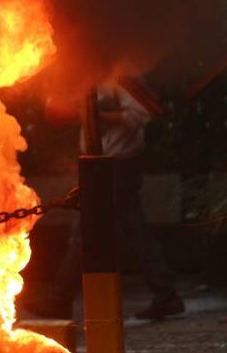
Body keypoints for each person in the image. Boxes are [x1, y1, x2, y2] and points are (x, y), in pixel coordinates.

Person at [50, 77, 184, 321]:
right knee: (134, 228)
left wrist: (98, 116)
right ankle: (166, 294)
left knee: (87, 229)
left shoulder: (121, 77)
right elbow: (57, 113)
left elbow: (143, 113)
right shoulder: (89, 79)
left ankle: (60, 299)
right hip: (102, 164)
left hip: (119, 165)